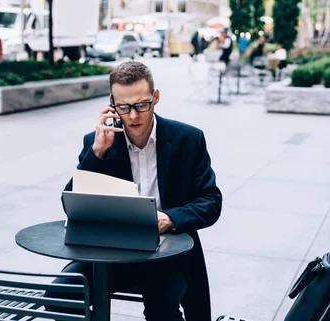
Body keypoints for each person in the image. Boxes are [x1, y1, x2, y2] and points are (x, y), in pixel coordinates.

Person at [49, 61, 223, 321]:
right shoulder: (98, 141)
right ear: (112, 104)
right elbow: (71, 203)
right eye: (123, 107)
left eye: (142, 105)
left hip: (168, 254)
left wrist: (170, 218)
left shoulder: (188, 139)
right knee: (59, 295)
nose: (133, 116)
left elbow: (211, 201)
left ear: (156, 97)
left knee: (161, 307)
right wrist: (97, 154)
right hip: (111, 254)